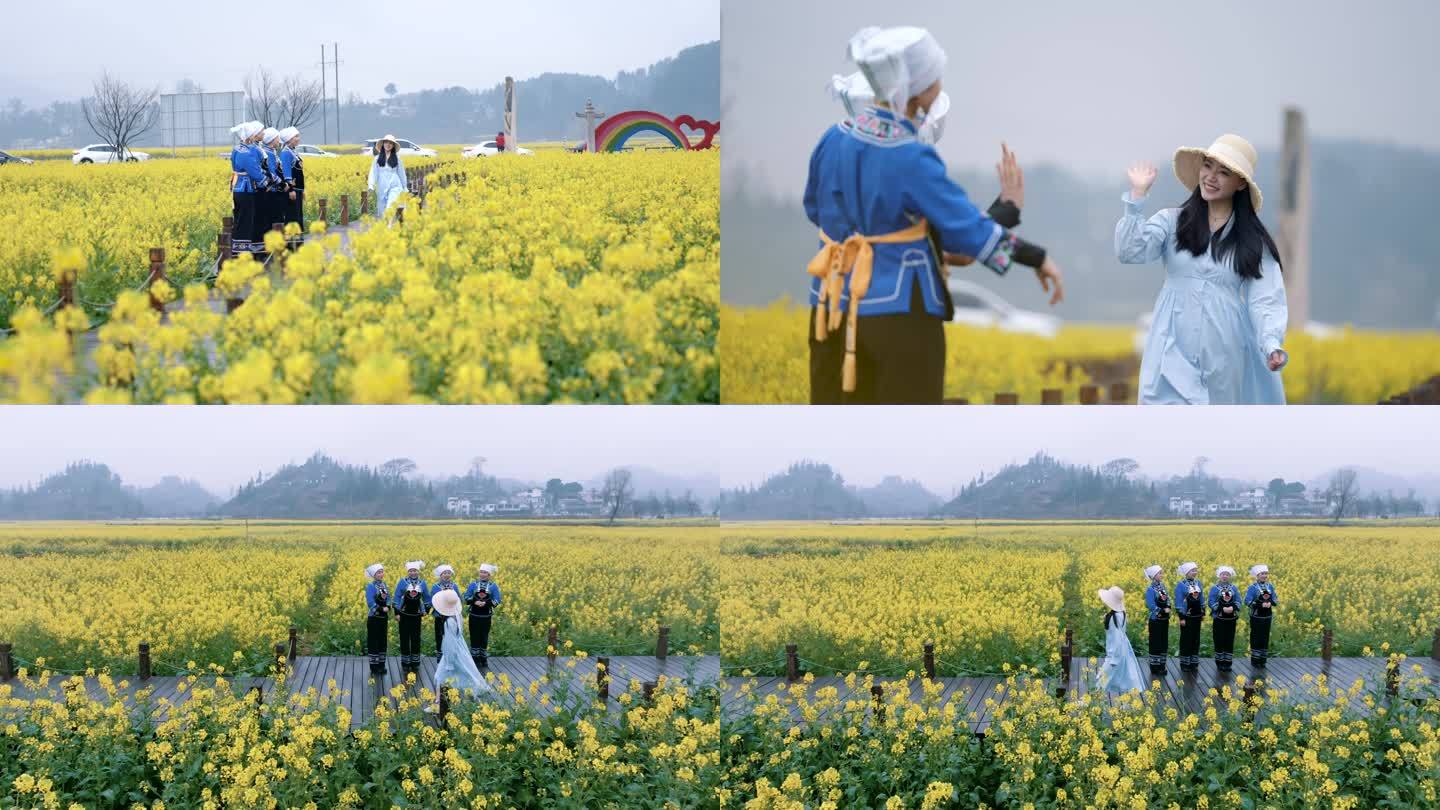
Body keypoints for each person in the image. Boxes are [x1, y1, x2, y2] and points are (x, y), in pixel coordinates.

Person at [803, 26, 1065, 405]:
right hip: (898, 316)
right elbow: (964, 233)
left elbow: (813, 208)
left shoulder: (832, 138)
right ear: (920, 88)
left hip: (829, 306)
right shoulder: (911, 154)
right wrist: (1037, 257)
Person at [1116, 134, 1289, 404]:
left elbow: (1265, 298)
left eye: (1224, 172)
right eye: (1207, 166)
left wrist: (1270, 343)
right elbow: (1130, 251)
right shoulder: (1171, 222)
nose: (1211, 177)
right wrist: (1137, 198)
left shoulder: (1252, 242)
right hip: (1170, 344)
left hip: (1225, 351)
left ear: (1240, 183)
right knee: (1163, 427)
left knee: (1215, 434)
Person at [427, 589, 491, 713]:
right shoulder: (457, 615)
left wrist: (449, 662)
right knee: (465, 674)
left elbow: (449, 643)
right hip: (461, 650)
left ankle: (440, 705)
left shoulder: (448, 622)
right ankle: (474, 702)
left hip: (452, 653)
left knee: (441, 677)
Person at [227, 121, 266, 256]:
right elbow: (256, 172)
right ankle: (242, 252)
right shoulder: (247, 153)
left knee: (239, 219)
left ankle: (236, 250)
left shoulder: (237, 149)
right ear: (250, 137)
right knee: (245, 220)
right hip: (246, 189)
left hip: (237, 188)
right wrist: (266, 182)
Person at [1097, 586, 1145, 694]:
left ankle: (1094, 698)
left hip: (1116, 650)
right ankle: (1129, 701)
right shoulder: (1122, 613)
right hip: (1123, 647)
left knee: (1106, 675)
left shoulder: (1113, 617)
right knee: (1127, 675)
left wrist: (1112, 657)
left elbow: (1115, 638)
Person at [391, 560, 429, 677]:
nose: (413, 573)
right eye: (411, 571)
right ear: (408, 572)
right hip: (404, 615)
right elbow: (397, 596)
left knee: (416, 638)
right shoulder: (402, 582)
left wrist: (426, 611)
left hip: (416, 616)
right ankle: (405, 662)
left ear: (418, 571)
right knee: (404, 638)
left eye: (415, 570)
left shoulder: (422, 583)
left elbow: (427, 597)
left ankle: (415, 662)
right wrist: (397, 612)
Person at [463, 563, 502, 668]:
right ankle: (475, 658)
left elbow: (497, 599)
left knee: (484, 637)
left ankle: (483, 658)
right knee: (474, 636)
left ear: (489, 575)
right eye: (481, 572)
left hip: (486, 616)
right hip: (474, 615)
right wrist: (474, 602)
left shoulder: (493, 586)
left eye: (485, 573)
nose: (483, 574)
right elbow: (466, 596)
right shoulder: (473, 584)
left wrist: (487, 604)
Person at [1245, 564, 1278, 668]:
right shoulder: (1252, 587)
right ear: (1257, 575)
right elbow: (1247, 601)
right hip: (1256, 616)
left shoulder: (1270, 586)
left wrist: (1271, 603)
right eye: (1262, 574)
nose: (1264, 576)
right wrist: (1260, 604)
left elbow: (1275, 599)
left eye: (1266, 573)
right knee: (1256, 637)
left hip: (1267, 616)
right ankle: (1255, 660)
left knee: (1265, 637)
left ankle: (1263, 660)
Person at [1209, 566, 1241, 672]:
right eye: (1223, 574)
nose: (1225, 576)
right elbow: (1211, 601)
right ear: (1219, 575)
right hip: (1219, 619)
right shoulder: (1215, 588)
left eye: (1227, 574)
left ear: (1229, 576)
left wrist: (1233, 607)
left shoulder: (1234, 588)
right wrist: (1222, 609)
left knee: (1229, 640)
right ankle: (1219, 663)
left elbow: (1238, 600)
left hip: (1231, 619)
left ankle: (1227, 663)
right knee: (1219, 640)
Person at [368, 134, 407, 219]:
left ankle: (389, 227)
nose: (388, 144)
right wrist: (371, 185)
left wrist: (405, 187)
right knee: (382, 210)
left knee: (390, 207)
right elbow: (373, 173)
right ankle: (386, 228)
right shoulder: (377, 159)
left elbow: (402, 174)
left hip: (395, 186)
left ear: (393, 146)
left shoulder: (398, 158)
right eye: (386, 142)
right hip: (381, 187)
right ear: (383, 144)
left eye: (390, 143)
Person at [1175, 562, 1206, 672]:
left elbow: (1201, 598)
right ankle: (1185, 663)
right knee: (1186, 639)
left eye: (1195, 570)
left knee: (1195, 639)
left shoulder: (1198, 583)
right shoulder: (1181, 585)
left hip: (1197, 616)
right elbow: (1178, 602)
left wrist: (1203, 611)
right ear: (1186, 572)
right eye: (1192, 571)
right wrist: (1181, 617)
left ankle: (1194, 662)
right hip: (1187, 616)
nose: (1195, 573)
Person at [1142, 564, 1171, 678]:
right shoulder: (1150, 589)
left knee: (1164, 642)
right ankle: (1155, 667)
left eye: (1162, 573)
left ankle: (1162, 665)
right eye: (1159, 573)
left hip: (1164, 619)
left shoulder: (1162, 587)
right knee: (1155, 643)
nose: (1162, 575)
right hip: (1155, 619)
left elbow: (1167, 598)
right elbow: (1151, 605)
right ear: (1154, 576)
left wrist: (1169, 606)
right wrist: (1163, 610)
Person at [278, 126, 304, 247]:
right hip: (292, 191)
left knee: (298, 216)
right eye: (296, 136)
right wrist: (291, 189)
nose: (298, 139)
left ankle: (298, 242)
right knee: (292, 216)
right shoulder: (285, 153)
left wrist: (302, 189)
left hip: (298, 189)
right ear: (289, 139)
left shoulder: (292, 151)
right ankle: (291, 244)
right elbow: (287, 173)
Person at [429, 564, 461, 661]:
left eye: (448, 573)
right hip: (439, 615)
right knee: (439, 635)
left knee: (451, 635)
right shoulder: (435, 587)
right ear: (440, 575)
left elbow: (459, 598)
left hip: (452, 615)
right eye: (444, 573)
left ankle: (450, 655)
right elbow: (432, 600)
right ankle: (440, 654)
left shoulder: (454, 586)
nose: (447, 575)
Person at [363, 563, 390, 677]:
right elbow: (370, 602)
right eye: (378, 572)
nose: (381, 574)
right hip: (374, 618)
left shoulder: (384, 585)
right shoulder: (371, 586)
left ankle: (381, 665)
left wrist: (388, 606)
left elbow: (389, 598)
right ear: (374, 575)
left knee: (382, 641)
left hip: (383, 618)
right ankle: (374, 667)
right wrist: (380, 608)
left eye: (382, 571)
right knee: (374, 641)